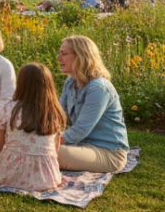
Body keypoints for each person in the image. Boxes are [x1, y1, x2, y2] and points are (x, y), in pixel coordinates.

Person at [0, 63, 66, 193]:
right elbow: (55, 148)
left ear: (21, 84)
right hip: (47, 179)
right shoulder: (55, 111)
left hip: (10, 174)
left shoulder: (8, 107)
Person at [55, 36, 130, 172]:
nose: (58, 57)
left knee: (53, 154)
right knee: (38, 150)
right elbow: (59, 116)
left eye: (64, 54)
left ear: (81, 57)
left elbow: (80, 129)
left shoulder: (99, 87)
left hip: (109, 153)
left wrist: (50, 143)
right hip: (81, 145)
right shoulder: (71, 81)